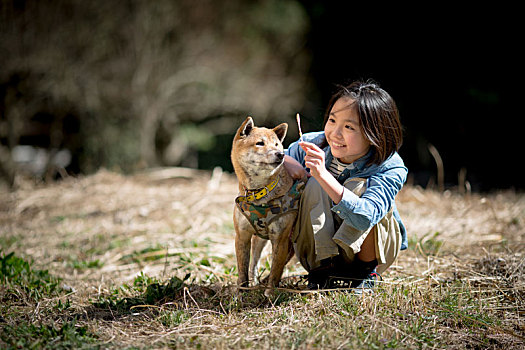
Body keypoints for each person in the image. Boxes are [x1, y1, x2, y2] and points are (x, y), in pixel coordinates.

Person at [284, 80, 408, 291]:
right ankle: (323, 269)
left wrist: (323, 175)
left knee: (356, 187)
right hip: (319, 253)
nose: (335, 133)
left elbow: (366, 217)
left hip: (367, 253)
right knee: (312, 185)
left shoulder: (390, 166)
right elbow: (272, 156)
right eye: (332, 120)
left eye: (349, 127)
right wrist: (286, 162)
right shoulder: (313, 144)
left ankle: (364, 272)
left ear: (374, 134)